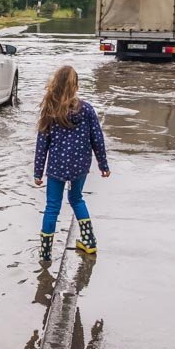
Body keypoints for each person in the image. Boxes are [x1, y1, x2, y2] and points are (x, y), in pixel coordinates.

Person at [33, 65, 110, 259]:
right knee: (76, 199)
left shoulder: (50, 110)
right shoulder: (87, 110)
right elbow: (97, 139)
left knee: (52, 206)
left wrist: (38, 172)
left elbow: (42, 143)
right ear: (76, 86)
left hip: (57, 165)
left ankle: (45, 252)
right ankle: (89, 242)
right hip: (80, 164)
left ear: (55, 85)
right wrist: (103, 165)